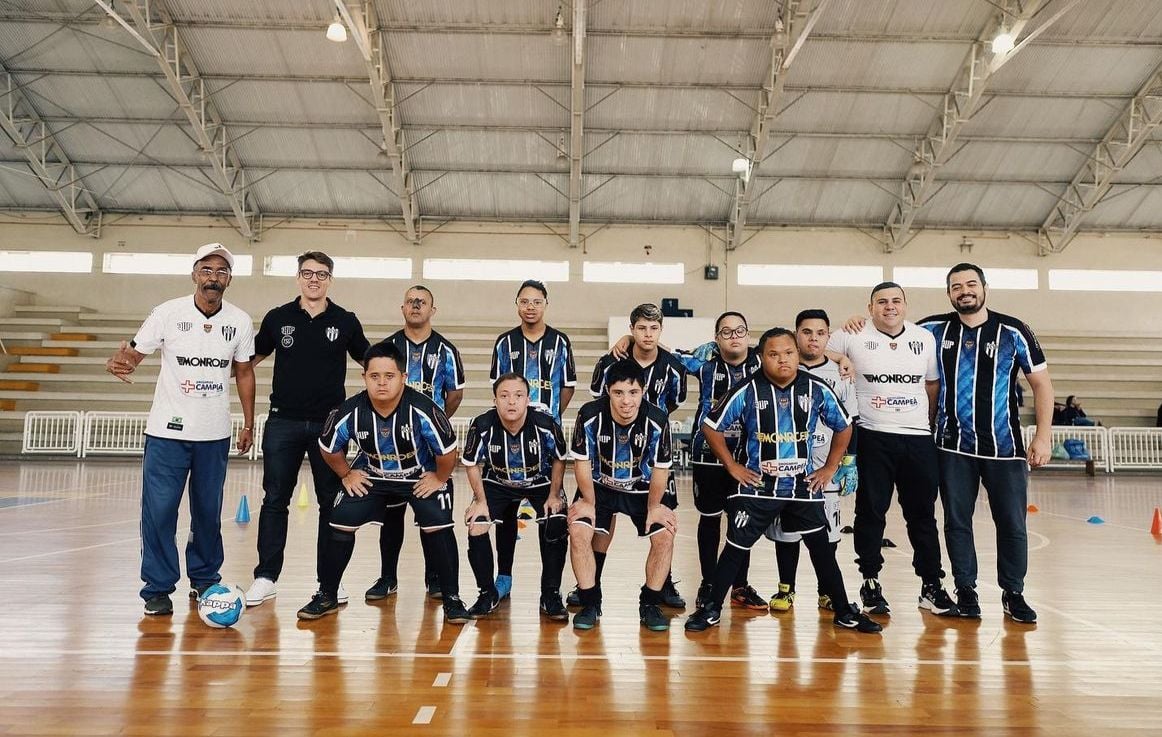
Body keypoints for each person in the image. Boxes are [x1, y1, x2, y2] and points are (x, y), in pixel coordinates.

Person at [684, 328, 879, 634]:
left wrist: (830, 467)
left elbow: (844, 426)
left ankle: (843, 611)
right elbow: (711, 426)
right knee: (734, 548)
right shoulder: (746, 389)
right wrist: (732, 465)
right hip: (759, 486)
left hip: (802, 486)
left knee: (822, 551)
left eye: (788, 353)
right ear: (761, 358)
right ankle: (711, 610)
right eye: (773, 354)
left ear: (797, 354)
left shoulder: (815, 388)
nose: (782, 360)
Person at [106, 243, 255, 616]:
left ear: (229, 280)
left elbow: (245, 372)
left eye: (221, 272)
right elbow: (134, 356)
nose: (213, 278)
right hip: (166, 433)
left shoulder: (239, 321)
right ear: (194, 274)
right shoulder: (167, 313)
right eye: (207, 270)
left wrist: (249, 423)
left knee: (208, 512)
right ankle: (157, 587)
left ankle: (205, 579)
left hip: (214, 434)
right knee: (159, 511)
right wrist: (122, 363)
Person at [918, 263, 1054, 623]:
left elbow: (1042, 384)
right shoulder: (932, 329)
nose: (964, 290)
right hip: (952, 447)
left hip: (1005, 447)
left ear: (984, 288)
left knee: (1012, 523)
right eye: (956, 286)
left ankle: (1014, 593)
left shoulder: (1014, 330)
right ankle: (966, 590)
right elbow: (888, 337)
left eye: (971, 284)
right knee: (957, 522)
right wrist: (856, 322)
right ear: (949, 294)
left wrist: (1043, 435)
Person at [297, 342, 470, 623]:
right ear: (364, 377)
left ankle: (451, 598)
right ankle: (327, 595)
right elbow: (328, 447)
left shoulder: (423, 409)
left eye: (389, 376)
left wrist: (439, 477)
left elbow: (448, 451)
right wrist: (346, 474)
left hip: (418, 476)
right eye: (374, 376)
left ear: (403, 378)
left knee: (437, 523)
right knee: (340, 518)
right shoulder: (351, 410)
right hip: (373, 475)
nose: (381, 383)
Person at [245, 252, 370, 608]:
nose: (314, 279)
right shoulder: (277, 318)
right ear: (298, 277)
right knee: (274, 501)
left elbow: (371, 362)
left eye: (321, 274)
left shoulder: (345, 321)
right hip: (282, 421)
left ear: (330, 279)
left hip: (329, 426)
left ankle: (329, 582)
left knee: (330, 503)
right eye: (307, 273)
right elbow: (248, 362)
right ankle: (266, 576)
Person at [831, 282, 959, 618]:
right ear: (870, 306)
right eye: (882, 302)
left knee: (922, 515)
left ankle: (931, 585)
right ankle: (870, 580)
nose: (889, 307)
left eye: (896, 301)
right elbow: (812, 350)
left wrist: (926, 425)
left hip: (917, 438)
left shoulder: (923, 338)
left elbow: (931, 385)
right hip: (873, 435)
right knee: (871, 511)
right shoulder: (852, 333)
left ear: (906, 305)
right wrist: (840, 355)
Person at [580, 303, 688, 608]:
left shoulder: (673, 367)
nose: (648, 334)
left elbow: (675, 403)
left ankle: (662, 587)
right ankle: (591, 583)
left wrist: (651, 427)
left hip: (653, 453)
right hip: (611, 452)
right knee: (603, 517)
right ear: (631, 330)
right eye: (641, 328)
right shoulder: (611, 360)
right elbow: (598, 403)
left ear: (661, 330)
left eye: (654, 328)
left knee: (662, 518)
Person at [367, 286, 466, 602]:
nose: (416, 305)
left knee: (431, 514)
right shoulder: (388, 347)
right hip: (390, 447)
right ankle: (387, 577)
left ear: (432, 310)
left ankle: (435, 578)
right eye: (411, 301)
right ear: (402, 307)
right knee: (392, 514)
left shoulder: (446, 351)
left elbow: (455, 394)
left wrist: (432, 421)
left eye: (422, 302)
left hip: (429, 449)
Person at [567, 359, 678, 631]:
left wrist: (654, 507)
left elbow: (660, 470)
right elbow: (582, 463)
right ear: (607, 391)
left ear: (643, 391)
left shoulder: (657, 420)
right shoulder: (590, 415)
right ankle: (591, 602)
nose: (626, 401)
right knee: (578, 532)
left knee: (665, 535)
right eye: (618, 393)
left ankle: (649, 602)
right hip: (600, 487)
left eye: (633, 393)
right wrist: (588, 502)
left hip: (643, 488)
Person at [489, 280, 577, 601]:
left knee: (553, 516)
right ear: (517, 304)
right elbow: (497, 388)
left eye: (536, 301)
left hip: (545, 444)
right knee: (507, 513)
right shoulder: (504, 343)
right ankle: (504, 577)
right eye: (524, 301)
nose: (530, 306)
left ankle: (549, 590)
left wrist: (548, 417)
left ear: (545, 304)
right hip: (509, 440)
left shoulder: (560, 342)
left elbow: (566, 387)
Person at [766, 310, 859, 613]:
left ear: (828, 335)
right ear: (796, 335)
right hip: (789, 469)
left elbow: (849, 421)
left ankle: (827, 591)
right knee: (787, 533)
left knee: (827, 535)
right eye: (807, 332)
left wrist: (847, 462)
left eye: (821, 333)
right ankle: (785, 589)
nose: (814, 338)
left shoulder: (840, 373)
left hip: (825, 469)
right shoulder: (780, 369)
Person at [461, 373, 570, 620]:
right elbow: (470, 463)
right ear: (495, 400)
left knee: (556, 519)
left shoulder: (545, 423)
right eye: (504, 396)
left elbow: (559, 458)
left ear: (527, 400)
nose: (511, 402)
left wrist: (554, 495)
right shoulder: (482, 424)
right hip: (497, 481)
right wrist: (480, 501)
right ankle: (487, 592)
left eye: (518, 396)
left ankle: (550, 593)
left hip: (538, 481)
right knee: (476, 525)